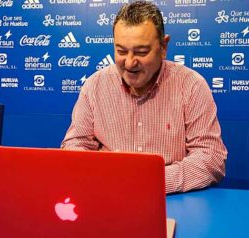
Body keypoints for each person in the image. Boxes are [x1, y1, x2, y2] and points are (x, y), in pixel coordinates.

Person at [61, 1, 227, 194]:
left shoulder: (191, 85)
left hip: (170, 198)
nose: (130, 63)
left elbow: (211, 158)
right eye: (121, 51)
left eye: (141, 52)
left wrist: (150, 181)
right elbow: (75, 145)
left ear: (163, 47)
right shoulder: (94, 85)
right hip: (108, 195)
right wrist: (104, 174)